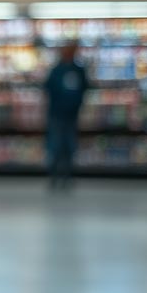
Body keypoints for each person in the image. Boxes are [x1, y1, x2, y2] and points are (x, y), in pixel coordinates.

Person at [43, 42, 89, 188]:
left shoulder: (78, 70)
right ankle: (54, 175)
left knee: (70, 146)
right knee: (56, 145)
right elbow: (48, 88)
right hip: (57, 113)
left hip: (71, 114)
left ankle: (67, 175)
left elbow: (85, 87)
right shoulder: (57, 70)